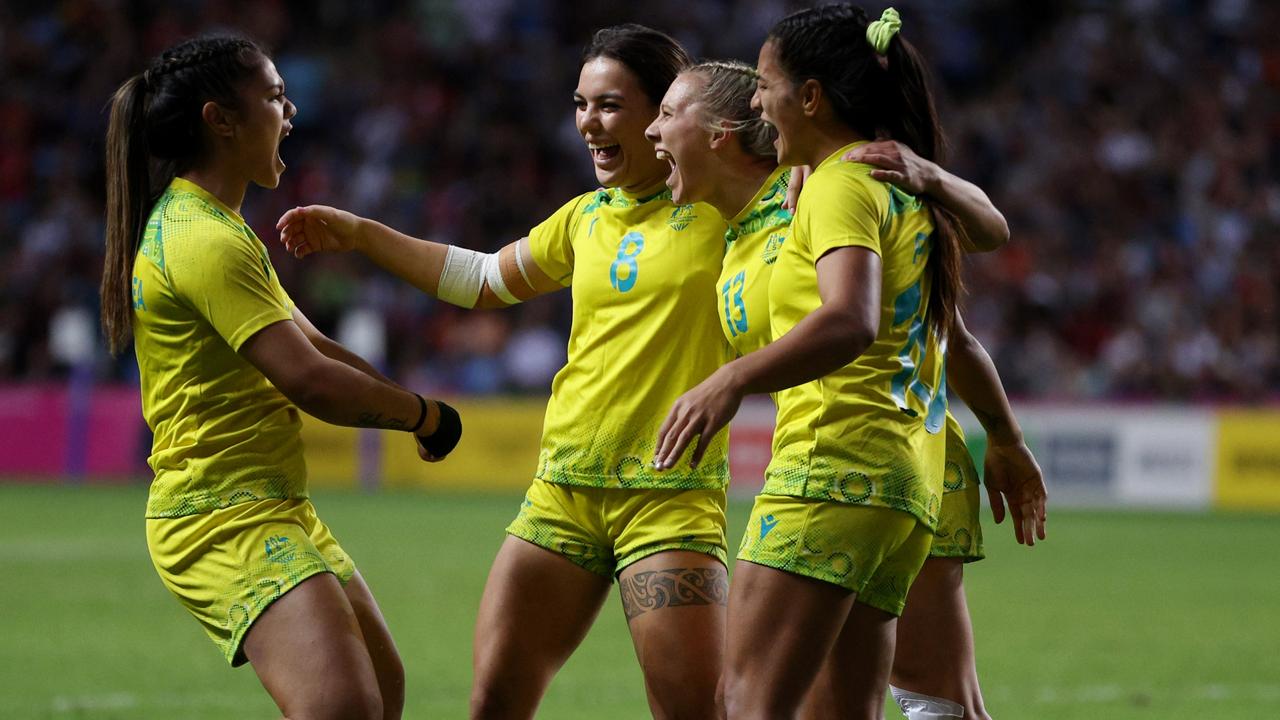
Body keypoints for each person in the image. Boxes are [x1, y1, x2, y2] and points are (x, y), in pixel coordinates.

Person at [276, 25, 735, 720]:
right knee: (493, 703)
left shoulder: (731, 213)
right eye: (581, 104)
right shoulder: (585, 217)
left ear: (663, 113)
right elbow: (482, 279)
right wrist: (365, 234)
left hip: (668, 498)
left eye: (609, 105)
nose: (588, 123)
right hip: (563, 493)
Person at [651, 5, 1040, 717]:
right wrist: (1008, 438)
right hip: (898, 485)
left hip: (834, 465)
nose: (760, 102)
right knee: (880, 706)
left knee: (747, 703)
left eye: (767, 84)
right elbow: (952, 317)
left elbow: (854, 320)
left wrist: (731, 378)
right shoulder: (856, 188)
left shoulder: (838, 185)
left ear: (808, 97)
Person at [101, 34, 460, 720]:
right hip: (218, 513)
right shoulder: (200, 238)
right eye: (272, 96)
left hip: (274, 504)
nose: (289, 110)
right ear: (220, 120)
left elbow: (317, 346)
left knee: (382, 695)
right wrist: (422, 416)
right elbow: (310, 382)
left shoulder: (219, 227)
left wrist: (412, 408)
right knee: (344, 706)